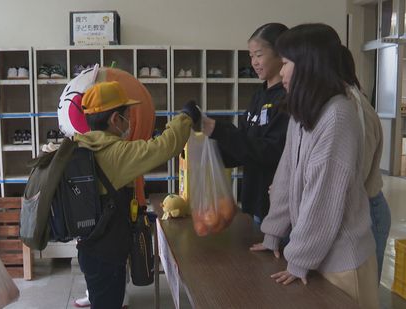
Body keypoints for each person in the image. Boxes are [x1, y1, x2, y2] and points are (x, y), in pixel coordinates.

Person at [253, 24, 379, 309]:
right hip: (315, 253)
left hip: (342, 261)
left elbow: (322, 198)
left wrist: (298, 258)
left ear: (308, 66)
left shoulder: (337, 115)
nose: (281, 71)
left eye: (286, 63)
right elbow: (286, 176)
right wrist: (273, 232)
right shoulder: (302, 112)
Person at [74, 81, 200, 308]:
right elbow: (165, 146)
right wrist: (185, 117)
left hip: (89, 247)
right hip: (107, 254)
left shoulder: (81, 145)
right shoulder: (117, 154)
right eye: (127, 114)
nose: (130, 119)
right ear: (115, 119)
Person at [202, 23, 289, 225]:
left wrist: (220, 131)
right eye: (251, 56)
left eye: (259, 55)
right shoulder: (259, 95)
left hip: (276, 208)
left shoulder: (287, 99)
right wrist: (209, 153)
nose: (254, 63)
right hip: (253, 202)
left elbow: (271, 151)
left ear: (280, 53)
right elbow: (243, 147)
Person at [341, 46, 391, 282]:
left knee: (363, 292)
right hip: (357, 208)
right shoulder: (336, 104)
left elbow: (355, 174)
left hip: (365, 208)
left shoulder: (351, 105)